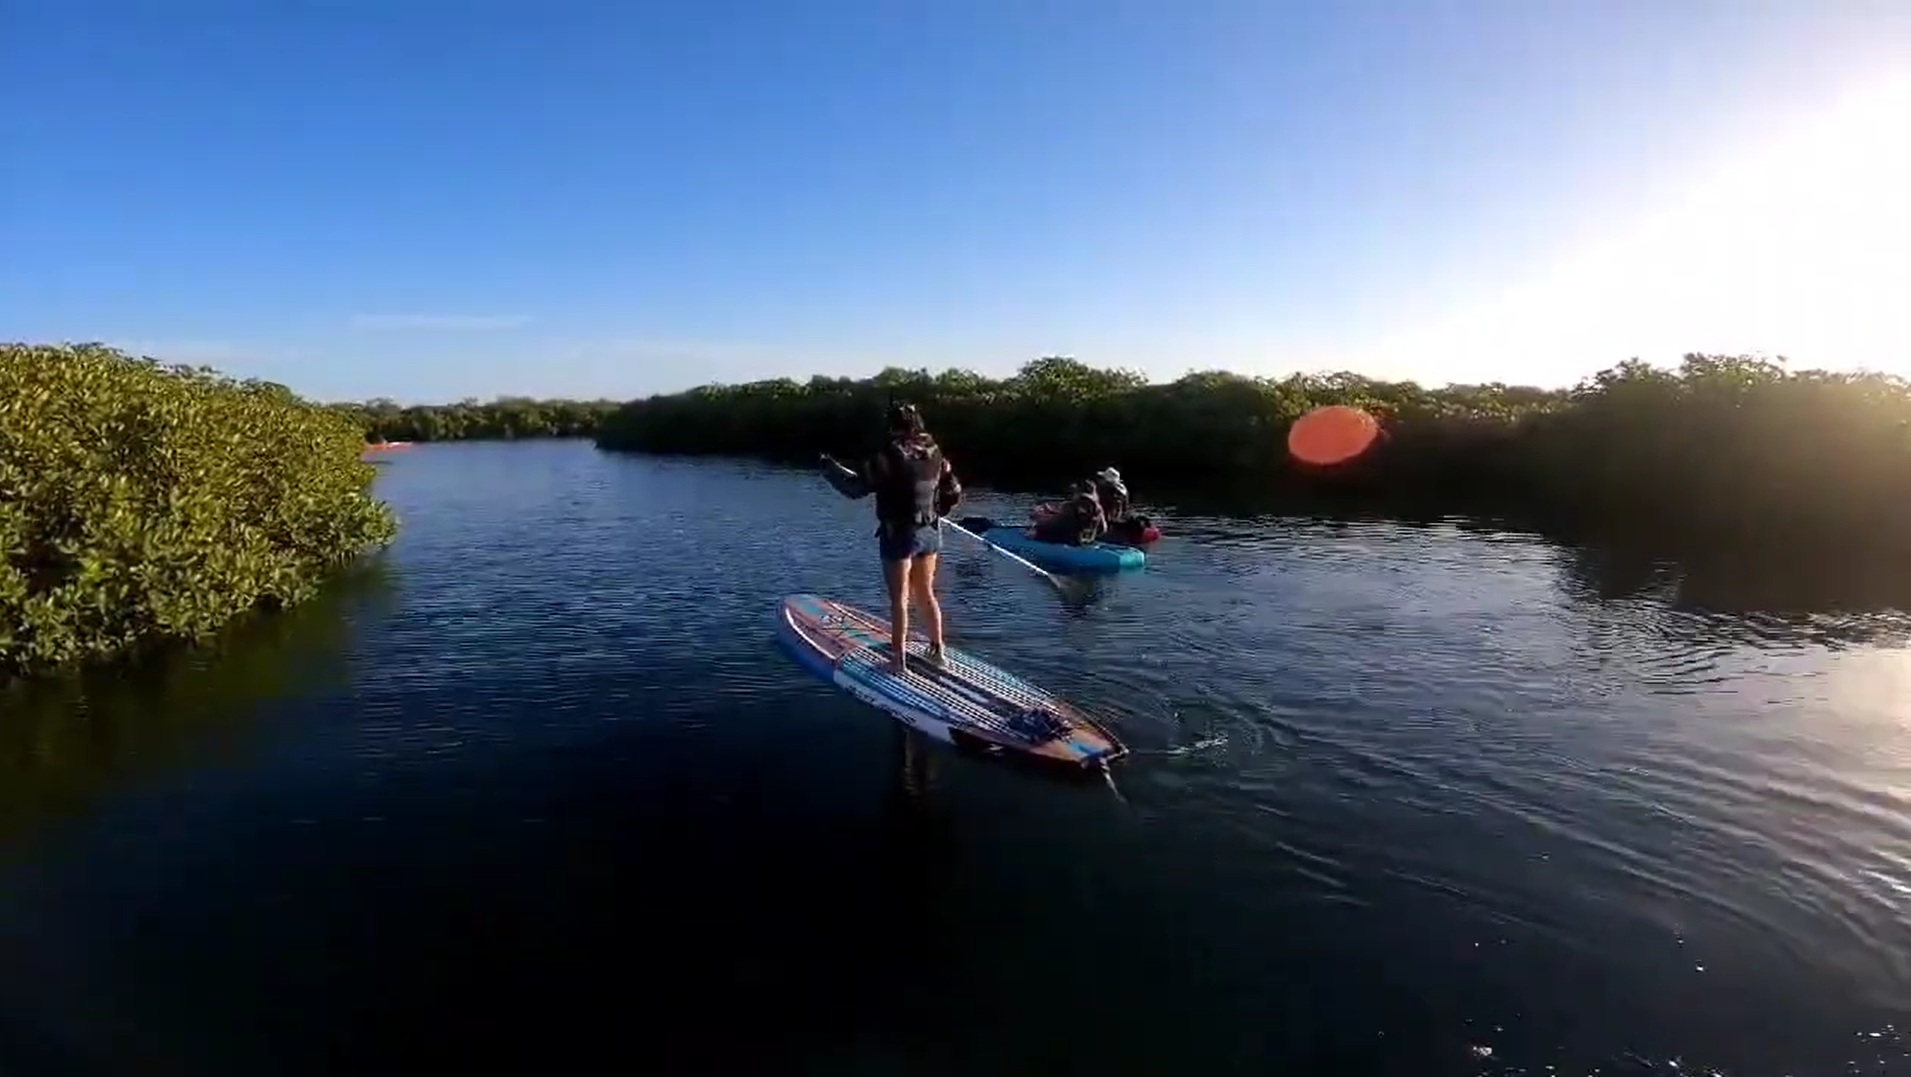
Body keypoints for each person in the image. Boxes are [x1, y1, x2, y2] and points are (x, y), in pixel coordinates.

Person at [822, 402, 963, 673]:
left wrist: (829, 469)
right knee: (926, 593)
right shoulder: (935, 451)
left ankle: (898, 662)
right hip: (931, 531)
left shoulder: (887, 454)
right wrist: (938, 510)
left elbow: (855, 488)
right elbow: (953, 490)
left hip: (899, 533)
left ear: (892, 426)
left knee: (899, 599)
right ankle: (938, 652)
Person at [1030, 480, 1106, 546]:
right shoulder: (1098, 508)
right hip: (1086, 541)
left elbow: (1056, 524)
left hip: (1069, 541)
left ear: (1078, 491)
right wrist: (1051, 512)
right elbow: (1103, 529)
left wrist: (1038, 520)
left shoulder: (1070, 506)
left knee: (1036, 530)